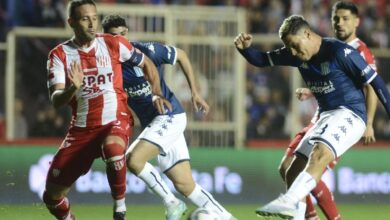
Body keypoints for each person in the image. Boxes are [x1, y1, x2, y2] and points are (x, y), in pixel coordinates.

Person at [235, 15, 390, 219]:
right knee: (291, 171)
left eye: (294, 45)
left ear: (307, 34)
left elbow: (376, 83)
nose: (292, 52)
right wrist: (245, 50)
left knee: (319, 154)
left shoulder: (339, 52)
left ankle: (288, 200)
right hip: (326, 116)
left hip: (350, 113)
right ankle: (297, 212)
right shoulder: (295, 55)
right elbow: (262, 60)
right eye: (288, 47)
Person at [102, 15, 236, 220]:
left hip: (170, 116)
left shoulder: (146, 51)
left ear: (126, 34)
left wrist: (195, 92)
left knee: (133, 160)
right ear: (106, 38)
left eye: (122, 35)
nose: (118, 40)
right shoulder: (108, 68)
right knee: (185, 184)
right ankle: (227, 218)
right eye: (113, 37)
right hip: (155, 124)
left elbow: (181, 55)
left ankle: (171, 202)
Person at [44, 1, 168, 220]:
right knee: (52, 197)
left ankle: (119, 208)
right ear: (71, 22)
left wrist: (156, 92)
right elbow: (56, 100)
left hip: (115, 120)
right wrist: (73, 87)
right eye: (85, 19)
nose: (92, 24)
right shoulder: (59, 55)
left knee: (113, 149)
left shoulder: (113, 43)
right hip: (81, 130)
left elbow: (147, 63)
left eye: (95, 17)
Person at [278, 1, 378, 219]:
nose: (340, 23)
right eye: (336, 19)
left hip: (343, 117)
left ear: (357, 22)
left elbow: (369, 87)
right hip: (321, 116)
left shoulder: (359, 51)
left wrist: (369, 122)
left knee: (312, 168)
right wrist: (311, 91)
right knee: (287, 167)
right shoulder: (326, 47)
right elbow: (336, 83)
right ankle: (309, 215)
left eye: (345, 18)